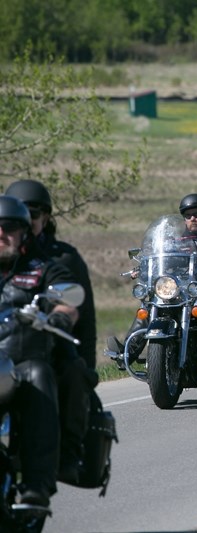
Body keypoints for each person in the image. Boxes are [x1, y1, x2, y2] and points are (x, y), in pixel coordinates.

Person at [5, 179, 97, 485]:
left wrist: (85, 363)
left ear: (46, 217)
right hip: (5, 347)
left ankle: (67, 454)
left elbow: (82, 315)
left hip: (49, 346)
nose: (26, 221)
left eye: (33, 214)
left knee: (70, 372)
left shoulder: (59, 259)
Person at [0, 195, 80, 507]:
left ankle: (37, 484)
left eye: (9, 227)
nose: (1, 233)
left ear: (23, 233)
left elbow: (68, 299)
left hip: (22, 361)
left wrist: (61, 313)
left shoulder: (42, 268)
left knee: (39, 374)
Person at [107, 193, 197, 367]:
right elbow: (160, 259)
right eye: (188, 216)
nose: (192, 219)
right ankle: (126, 353)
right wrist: (142, 267)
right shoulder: (176, 242)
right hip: (178, 293)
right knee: (148, 308)